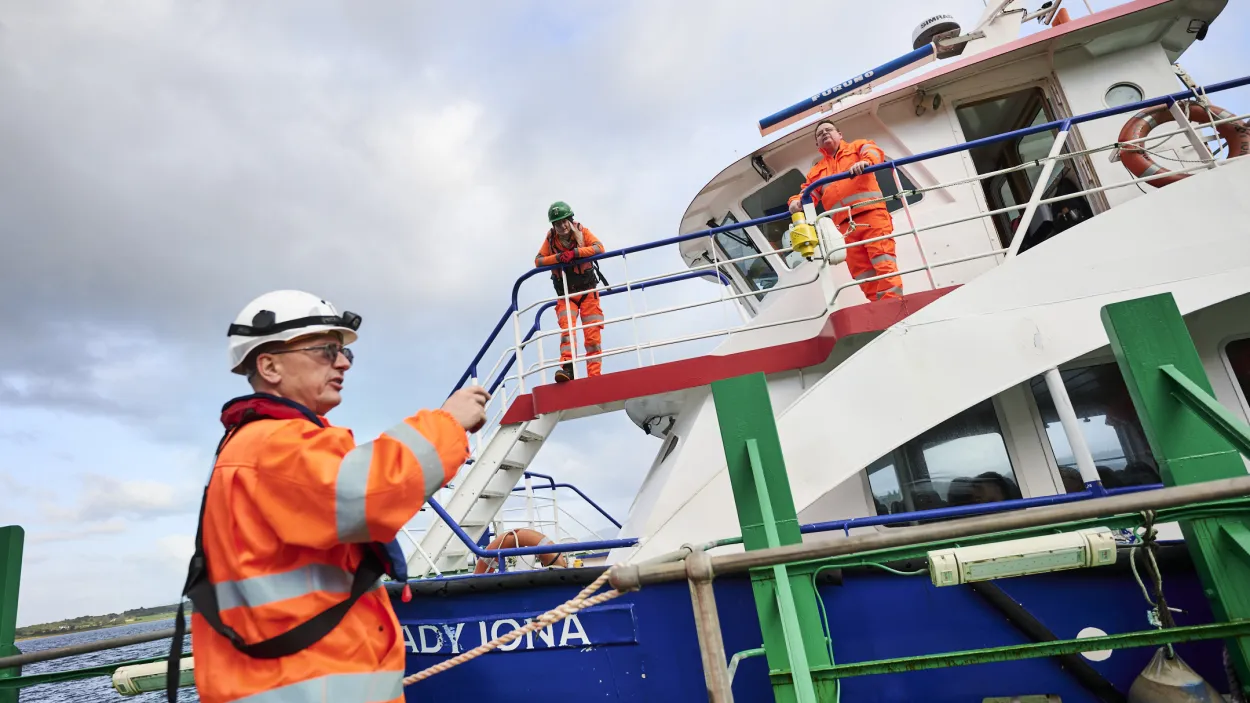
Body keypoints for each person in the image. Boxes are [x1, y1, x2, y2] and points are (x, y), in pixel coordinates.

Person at [170, 290, 490, 703]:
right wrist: (449, 423)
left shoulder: (263, 443)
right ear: (269, 366)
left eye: (344, 354)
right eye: (326, 351)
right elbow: (372, 491)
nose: (342, 363)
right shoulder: (272, 444)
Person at [788, 120, 903, 301]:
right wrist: (795, 202)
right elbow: (806, 193)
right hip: (844, 228)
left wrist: (866, 162)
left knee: (884, 262)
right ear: (817, 144)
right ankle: (880, 307)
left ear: (839, 134)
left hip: (872, 215)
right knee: (862, 273)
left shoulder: (858, 147)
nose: (825, 133)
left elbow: (874, 152)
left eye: (829, 130)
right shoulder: (817, 171)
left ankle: (894, 303)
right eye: (820, 134)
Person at [535, 201, 606, 382]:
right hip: (566, 294)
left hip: (588, 292)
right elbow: (539, 261)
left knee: (592, 336)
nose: (562, 226)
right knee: (567, 331)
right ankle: (568, 370)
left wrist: (576, 253)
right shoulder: (551, 239)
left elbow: (599, 248)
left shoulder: (582, 232)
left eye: (564, 221)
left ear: (570, 220)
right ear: (553, 225)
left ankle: (594, 376)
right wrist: (558, 258)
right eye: (558, 223)